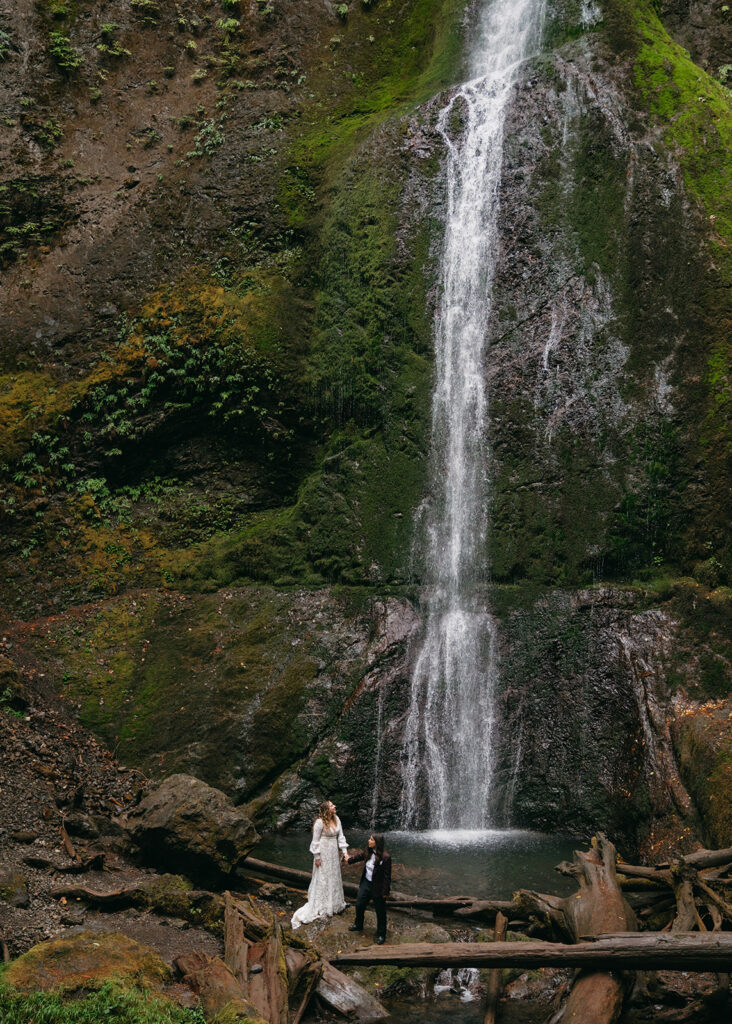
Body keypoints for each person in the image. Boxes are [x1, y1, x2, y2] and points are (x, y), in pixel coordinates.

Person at [291, 800, 349, 929]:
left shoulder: (336, 819)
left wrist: (345, 852)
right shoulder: (319, 822)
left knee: (334, 875)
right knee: (323, 876)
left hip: (333, 852)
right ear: (327, 809)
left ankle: (335, 903)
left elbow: (341, 837)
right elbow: (315, 841)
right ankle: (323, 904)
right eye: (332, 805)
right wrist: (317, 857)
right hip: (323, 851)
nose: (335, 806)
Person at [345, 833, 391, 944]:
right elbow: (359, 857)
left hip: (378, 887)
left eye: (371, 839)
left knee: (380, 911)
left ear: (377, 843)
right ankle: (358, 924)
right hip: (366, 882)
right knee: (359, 904)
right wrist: (349, 860)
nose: (368, 841)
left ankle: (381, 934)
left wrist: (385, 892)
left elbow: (387, 877)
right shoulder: (368, 851)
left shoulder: (386, 857)